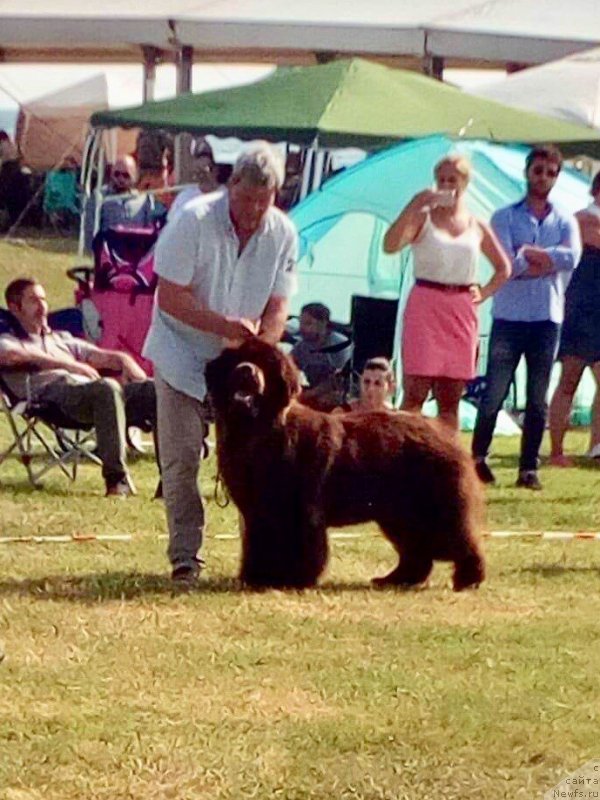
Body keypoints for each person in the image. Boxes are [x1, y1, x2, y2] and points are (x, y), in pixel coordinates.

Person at [143, 141, 298, 584]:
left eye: (263, 202)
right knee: (182, 460)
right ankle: (185, 559)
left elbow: (278, 305)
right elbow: (170, 297)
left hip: (241, 368)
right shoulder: (191, 221)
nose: (253, 211)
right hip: (181, 353)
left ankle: (258, 560)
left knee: (257, 461)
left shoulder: (284, 233)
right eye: (246, 199)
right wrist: (223, 326)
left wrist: (261, 347)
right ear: (232, 185)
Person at [471, 144, 582, 490]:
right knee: (494, 393)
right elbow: (507, 264)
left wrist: (532, 254)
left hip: (547, 319)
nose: (543, 178)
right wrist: (543, 262)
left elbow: (572, 258)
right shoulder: (503, 217)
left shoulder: (565, 219)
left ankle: (528, 468)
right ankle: (478, 458)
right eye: (538, 171)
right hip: (509, 318)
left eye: (550, 173)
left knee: (537, 398)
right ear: (527, 172)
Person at [383, 154, 511, 431]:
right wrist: (415, 204)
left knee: (450, 399)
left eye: (452, 180)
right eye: (441, 180)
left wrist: (485, 291)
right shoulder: (423, 218)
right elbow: (390, 245)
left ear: (465, 183)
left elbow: (504, 267)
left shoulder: (476, 225)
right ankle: (402, 451)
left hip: (461, 308)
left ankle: (447, 453)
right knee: (415, 392)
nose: (446, 185)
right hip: (426, 303)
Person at [0, 278, 157, 497]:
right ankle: (116, 480)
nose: (42, 306)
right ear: (15, 308)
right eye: (33, 300)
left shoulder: (60, 339)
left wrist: (126, 363)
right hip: (53, 400)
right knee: (106, 388)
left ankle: (171, 482)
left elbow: (104, 357)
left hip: (93, 394)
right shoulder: (9, 340)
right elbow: (9, 356)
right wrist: (69, 365)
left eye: (43, 299)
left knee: (154, 390)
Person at [548, 170, 600, 465]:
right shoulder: (582, 219)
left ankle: (596, 445)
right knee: (569, 379)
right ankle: (556, 449)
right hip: (581, 310)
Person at [290, 302, 353, 410]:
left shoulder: (340, 345)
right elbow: (288, 367)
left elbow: (339, 380)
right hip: (313, 394)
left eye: (308, 323)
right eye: (301, 323)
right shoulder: (301, 347)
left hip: (340, 396)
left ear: (323, 324)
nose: (302, 328)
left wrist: (307, 395)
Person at [99, 155, 166, 232]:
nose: (121, 179)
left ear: (134, 177)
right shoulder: (101, 197)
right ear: (111, 174)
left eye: (126, 175)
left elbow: (150, 229)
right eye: (117, 174)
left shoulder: (144, 200)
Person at [167, 139, 221, 222]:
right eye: (198, 172)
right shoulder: (184, 198)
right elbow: (172, 224)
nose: (201, 176)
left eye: (207, 171)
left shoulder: (225, 199)